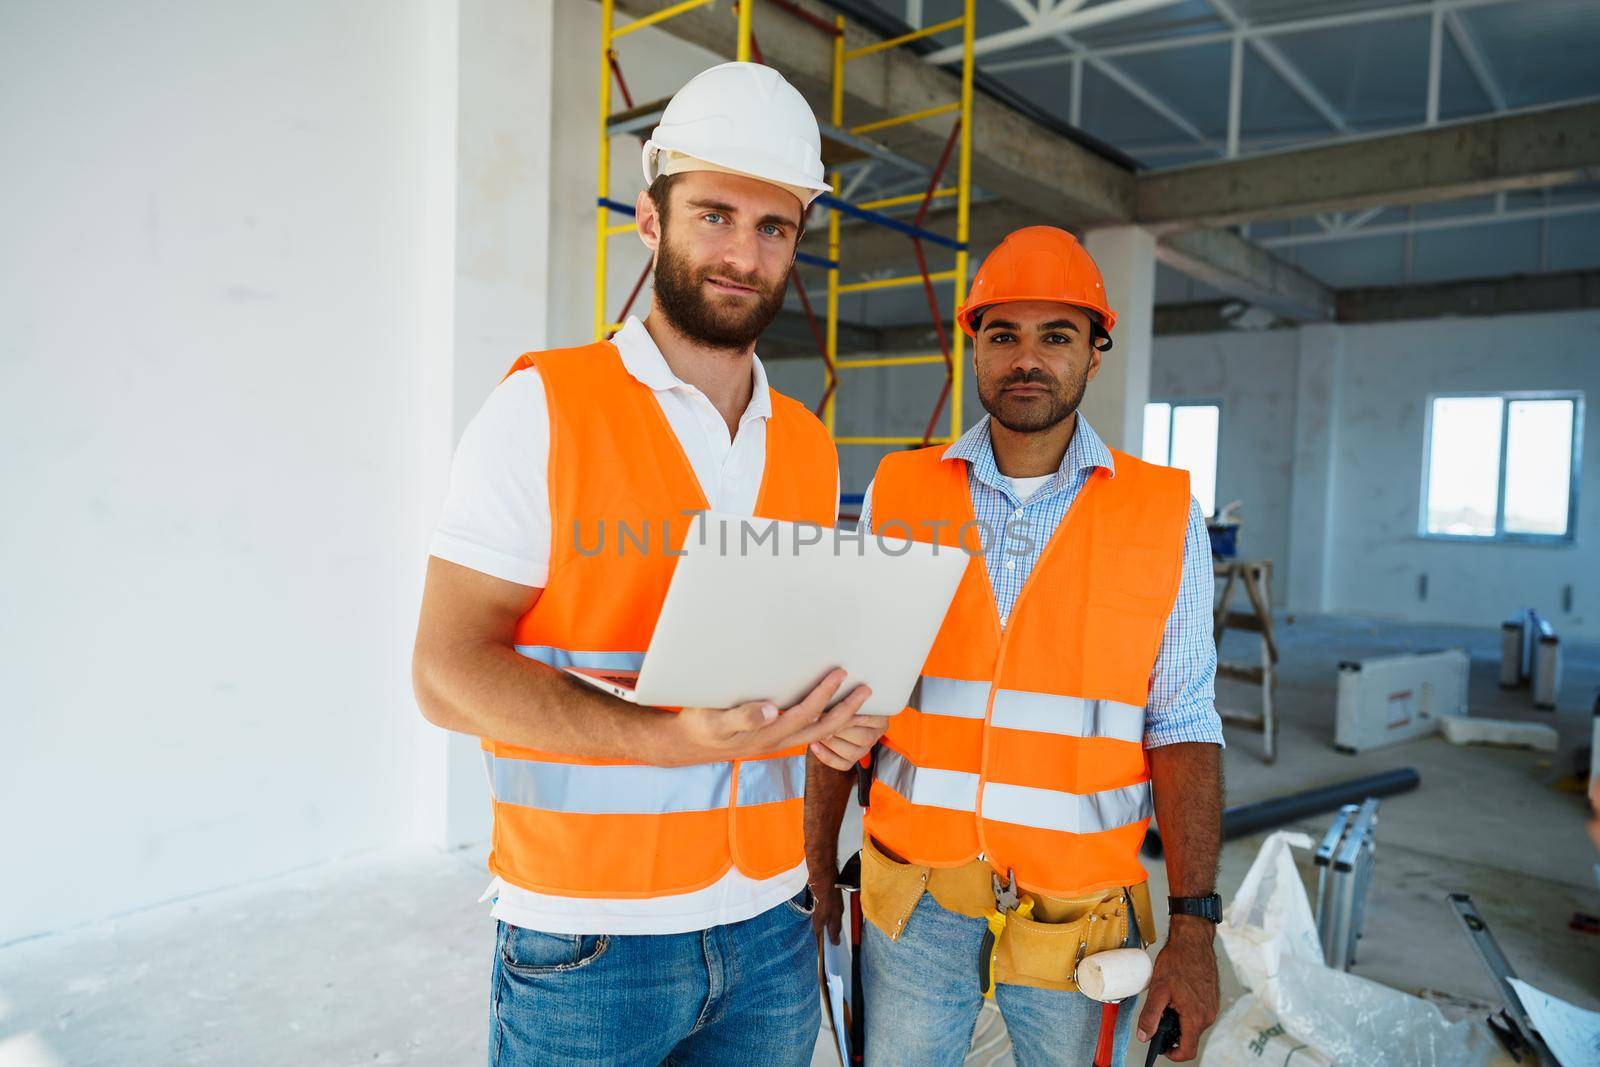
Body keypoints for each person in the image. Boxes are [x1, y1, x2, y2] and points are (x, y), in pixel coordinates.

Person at [412, 62, 887, 1066]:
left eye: (774, 228)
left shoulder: (803, 443)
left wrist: (829, 718)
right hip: (589, 937)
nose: (742, 254)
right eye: (715, 213)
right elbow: (445, 671)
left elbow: (772, 671)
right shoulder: (542, 408)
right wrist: (661, 737)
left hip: (768, 923)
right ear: (650, 217)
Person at [805, 226, 1225, 1064]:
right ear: (975, 348)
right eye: (1003, 334)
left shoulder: (1164, 514)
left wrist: (1193, 927)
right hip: (913, 893)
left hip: (1080, 918)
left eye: (1056, 335)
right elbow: (848, 694)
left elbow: (1181, 721)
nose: (1026, 358)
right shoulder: (900, 488)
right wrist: (815, 863)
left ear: (1095, 354)